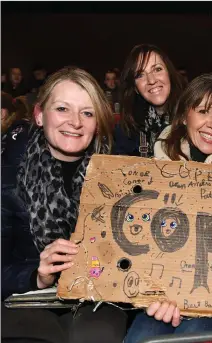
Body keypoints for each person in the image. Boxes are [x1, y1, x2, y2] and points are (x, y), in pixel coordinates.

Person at [124, 73, 212, 343]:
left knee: (190, 338)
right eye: (204, 111)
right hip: (163, 294)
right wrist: (158, 293)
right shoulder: (155, 166)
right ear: (185, 116)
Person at [1, 67, 128, 343]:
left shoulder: (119, 177)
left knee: (98, 335)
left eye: (87, 112)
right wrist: (37, 275)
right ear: (38, 115)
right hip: (27, 300)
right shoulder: (8, 175)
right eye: (62, 109)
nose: (75, 122)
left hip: (98, 299)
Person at [114, 44, 186, 157]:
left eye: (157, 69)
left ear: (169, 74)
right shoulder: (126, 130)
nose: (151, 80)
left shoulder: (191, 118)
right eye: (140, 75)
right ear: (135, 88)